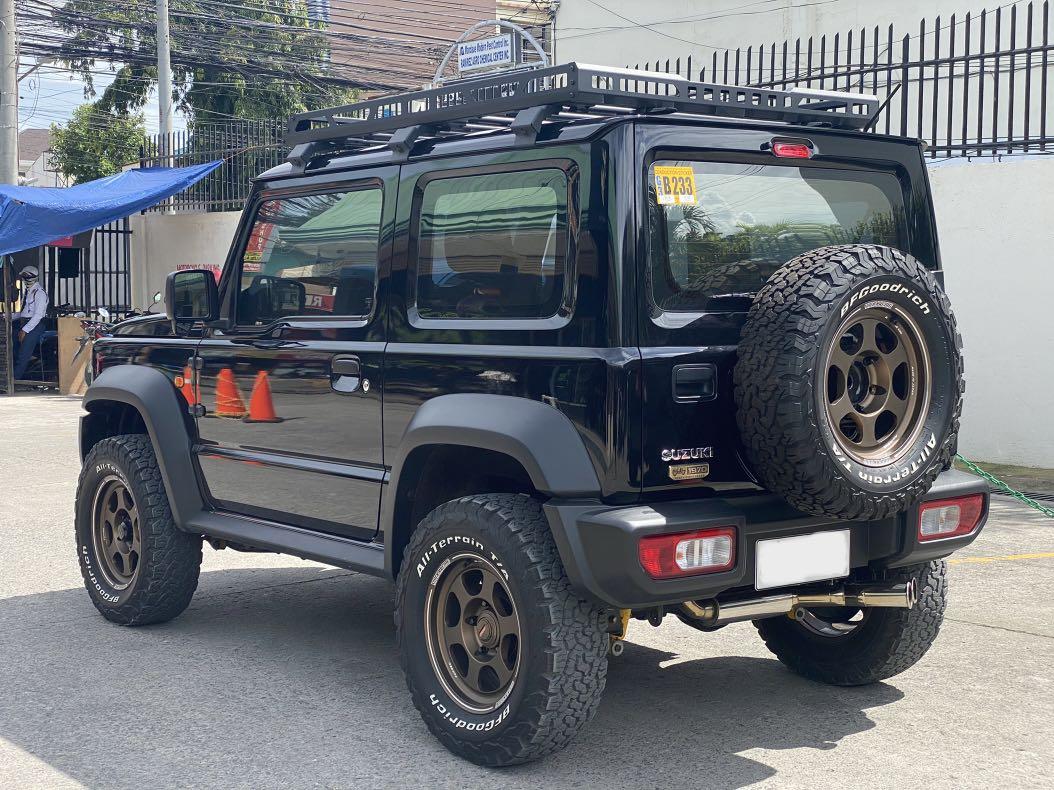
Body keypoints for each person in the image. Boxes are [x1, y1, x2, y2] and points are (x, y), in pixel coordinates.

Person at [12, 266, 49, 380]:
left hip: (36, 325)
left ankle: (15, 380)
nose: (26, 279)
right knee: (13, 347)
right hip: (25, 323)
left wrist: (24, 330)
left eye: (28, 277)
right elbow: (23, 312)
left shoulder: (39, 293)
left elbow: (37, 315)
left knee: (23, 354)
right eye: (24, 277)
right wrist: (8, 316)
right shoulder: (28, 292)